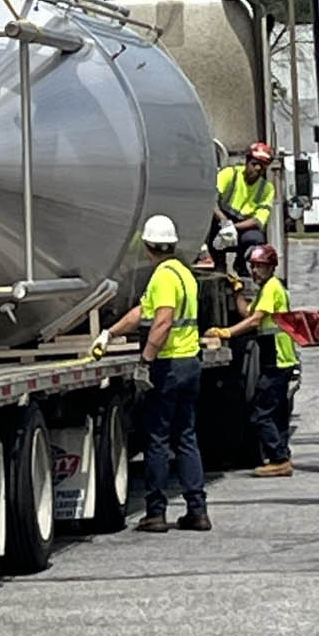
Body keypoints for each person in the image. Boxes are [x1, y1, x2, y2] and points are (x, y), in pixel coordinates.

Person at [92, 213, 210, 533]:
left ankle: (155, 513)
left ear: (147, 246)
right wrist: (110, 333)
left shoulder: (162, 278)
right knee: (186, 437)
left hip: (168, 365)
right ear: (171, 244)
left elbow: (162, 322)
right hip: (190, 363)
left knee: (157, 439)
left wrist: (145, 360)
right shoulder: (184, 274)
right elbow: (140, 312)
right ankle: (197, 511)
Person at [211, 243, 298, 476]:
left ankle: (279, 459)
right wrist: (238, 291)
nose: (255, 271)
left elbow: (254, 321)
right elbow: (247, 312)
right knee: (277, 411)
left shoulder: (272, 287)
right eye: (253, 267)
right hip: (278, 358)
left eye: (259, 267)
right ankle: (282, 455)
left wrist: (227, 332)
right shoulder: (267, 289)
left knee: (260, 412)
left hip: (278, 358)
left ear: (270, 267)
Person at [213, 142, 276, 275]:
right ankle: (219, 264)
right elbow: (211, 201)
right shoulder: (229, 174)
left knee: (256, 239)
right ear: (246, 161)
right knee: (209, 226)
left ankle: (241, 264)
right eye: (254, 164)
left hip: (243, 227)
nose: (257, 169)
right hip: (220, 220)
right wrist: (224, 222)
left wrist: (233, 228)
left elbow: (257, 220)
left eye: (262, 167)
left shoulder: (266, 189)